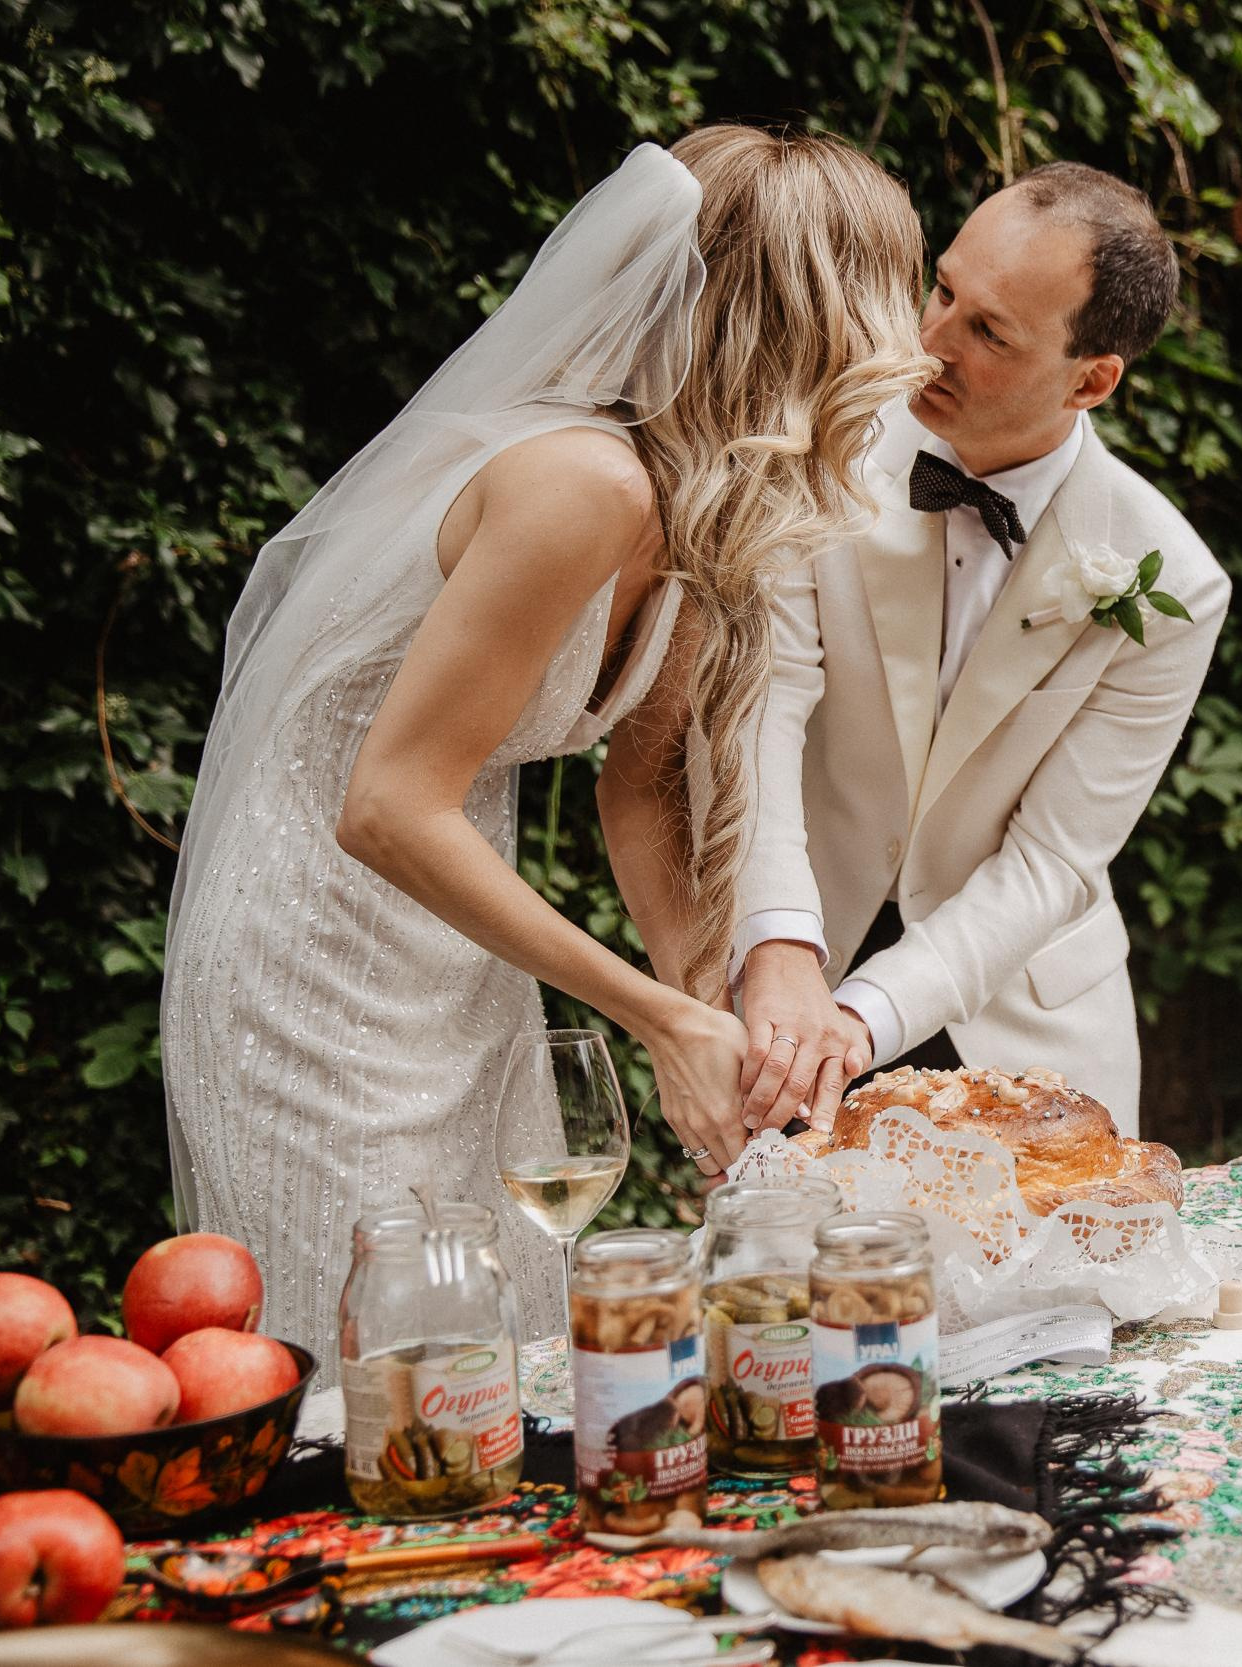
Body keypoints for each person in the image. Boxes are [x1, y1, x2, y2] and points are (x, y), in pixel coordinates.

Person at [161, 129, 933, 1359]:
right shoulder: (583, 482)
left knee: (503, 1339)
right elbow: (387, 806)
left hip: (458, 952)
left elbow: (639, 791)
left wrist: (709, 1005)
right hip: (310, 965)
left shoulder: (695, 501)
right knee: (388, 1347)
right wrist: (659, 1023)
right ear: (813, 322)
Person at [685, 162, 1232, 1135]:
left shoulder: (1173, 580)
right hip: (792, 982)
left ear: (1092, 379)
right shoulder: (820, 444)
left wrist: (863, 1014)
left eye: (989, 333)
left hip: (1028, 1030)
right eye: (942, 290)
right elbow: (760, 709)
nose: (928, 342)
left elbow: (1052, 861)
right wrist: (778, 948)